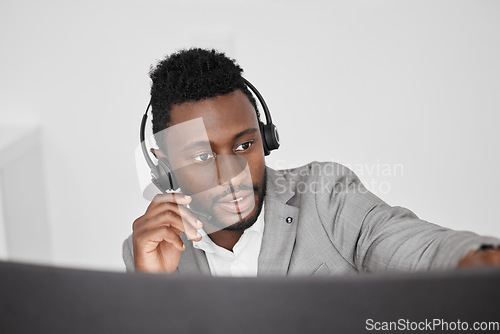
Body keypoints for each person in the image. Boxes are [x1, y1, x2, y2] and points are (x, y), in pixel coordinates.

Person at [123, 48, 500, 276]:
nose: (232, 176)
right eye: (203, 156)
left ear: (266, 140)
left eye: (244, 146)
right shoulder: (148, 249)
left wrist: (479, 260)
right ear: (164, 167)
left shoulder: (326, 196)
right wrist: (153, 290)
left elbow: (417, 248)